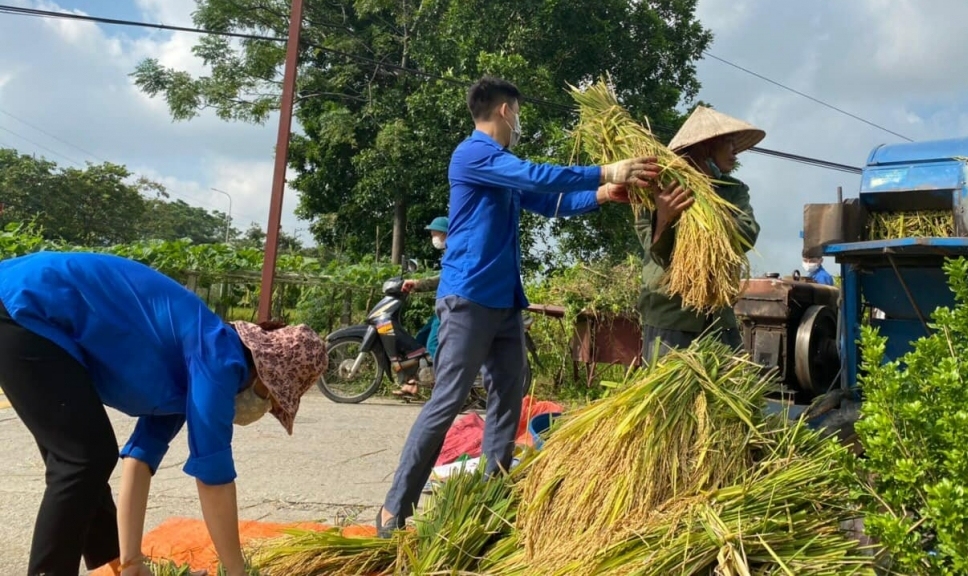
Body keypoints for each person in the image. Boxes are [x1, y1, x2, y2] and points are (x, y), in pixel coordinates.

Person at [376, 75, 660, 536]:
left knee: (509, 399)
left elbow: (547, 202)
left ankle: (490, 499)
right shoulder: (473, 154)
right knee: (446, 400)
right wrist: (608, 169)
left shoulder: (499, 168)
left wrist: (603, 194)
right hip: (467, 298)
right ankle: (394, 509)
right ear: (506, 111)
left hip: (505, 303)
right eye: (520, 114)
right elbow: (535, 175)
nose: (519, 123)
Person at [0, 251, 328, 576]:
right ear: (263, 374)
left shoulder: (186, 368)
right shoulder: (219, 359)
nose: (264, 408)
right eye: (270, 400)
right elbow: (214, 479)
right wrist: (236, 572)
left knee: (87, 464)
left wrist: (133, 562)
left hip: (30, 309)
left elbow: (139, 460)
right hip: (24, 304)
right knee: (83, 459)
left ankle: (116, 566)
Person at [635, 105, 764, 364]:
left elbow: (748, 233)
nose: (734, 151)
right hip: (672, 313)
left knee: (730, 393)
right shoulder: (655, 190)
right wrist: (665, 217)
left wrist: (708, 206)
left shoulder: (733, 191)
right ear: (705, 147)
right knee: (670, 399)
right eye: (727, 143)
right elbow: (657, 251)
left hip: (718, 312)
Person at [397, 216, 449, 398]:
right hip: (442, 306)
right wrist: (417, 284)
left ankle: (445, 386)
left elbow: (442, 279)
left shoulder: (454, 252)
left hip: (449, 306)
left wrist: (419, 283)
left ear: (445, 233)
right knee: (419, 341)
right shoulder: (449, 252)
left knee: (433, 344)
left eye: (435, 232)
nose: (432, 236)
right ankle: (412, 383)